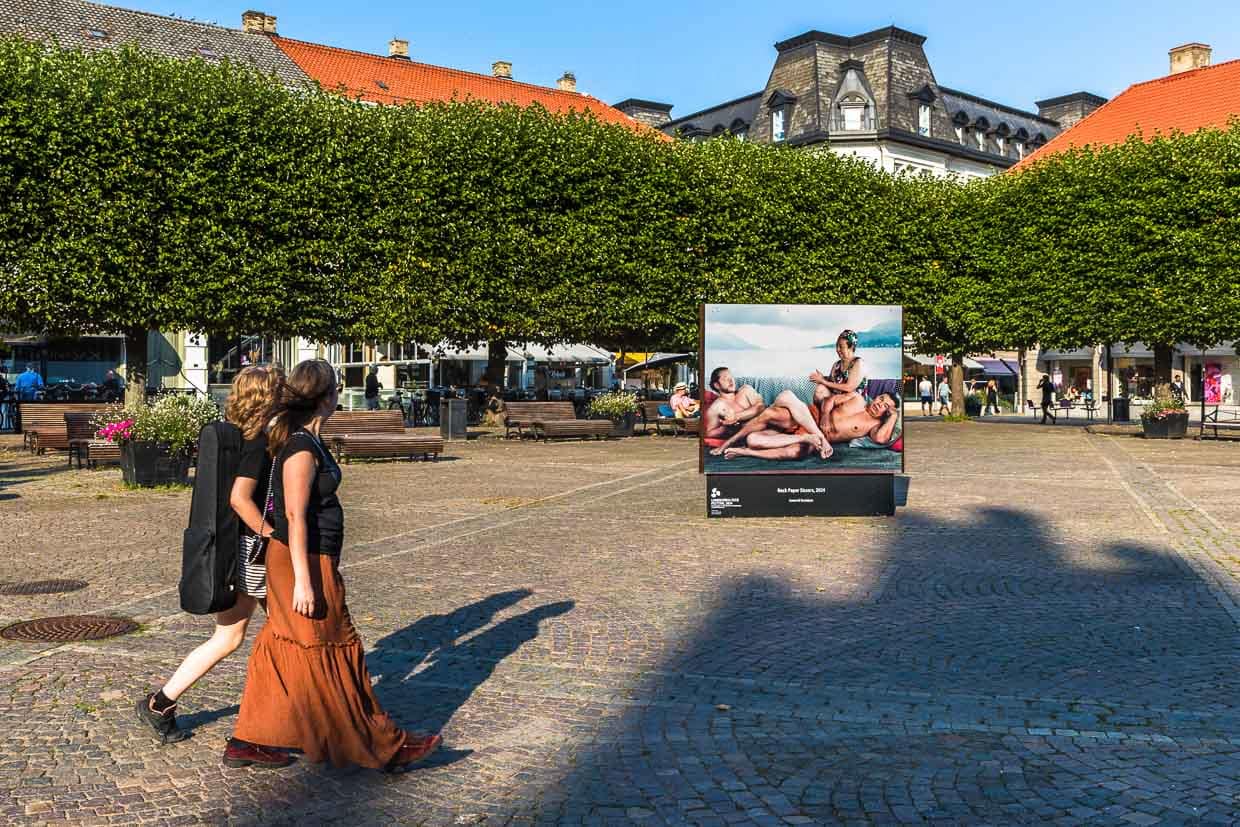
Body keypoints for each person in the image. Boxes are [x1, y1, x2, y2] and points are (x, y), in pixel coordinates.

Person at [229, 359, 441, 771]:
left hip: (307, 557)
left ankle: (249, 737)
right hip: (302, 561)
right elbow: (294, 516)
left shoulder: (309, 439)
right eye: (337, 389)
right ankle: (381, 746)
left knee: (283, 644)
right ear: (327, 396)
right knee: (332, 641)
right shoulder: (300, 447)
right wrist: (304, 582)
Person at [135, 366, 281, 747]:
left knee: (229, 637)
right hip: (254, 554)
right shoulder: (256, 443)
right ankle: (298, 715)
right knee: (290, 631)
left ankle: (160, 702)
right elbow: (240, 499)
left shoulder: (239, 437)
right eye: (279, 393)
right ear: (267, 399)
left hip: (239, 551)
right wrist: (273, 536)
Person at [717, 391, 899, 461]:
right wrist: (825, 416)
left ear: (887, 412)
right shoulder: (857, 398)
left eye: (885, 406)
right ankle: (730, 441)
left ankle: (745, 451)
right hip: (810, 416)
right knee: (776, 407)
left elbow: (881, 439)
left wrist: (894, 416)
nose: (879, 404)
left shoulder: (874, 425)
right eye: (881, 399)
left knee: (790, 451)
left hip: (817, 439)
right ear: (877, 396)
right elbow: (829, 400)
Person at [710, 387, 832, 460]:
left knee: (784, 398)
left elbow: (760, 409)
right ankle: (809, 437)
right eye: (723, 412)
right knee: (752, 439)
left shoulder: (744, 392)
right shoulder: (722, 416)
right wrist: (744, 451)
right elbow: (709, 432)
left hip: (802, 422)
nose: (726, 411)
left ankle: (819, 437)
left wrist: (731, 443)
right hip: (784, 430)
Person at [703, 367, 765, 442]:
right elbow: (709, 433)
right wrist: (725, 428)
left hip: (766, 425)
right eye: (725, 378)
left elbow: (761, 407)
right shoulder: (716, 408)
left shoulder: (746, 390)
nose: (731, 381)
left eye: (731, 377)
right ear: (717, 385)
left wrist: (735, 417)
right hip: (751, 437)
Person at [809, 329, 868, 401]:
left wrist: (823, 381)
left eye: (841, 346)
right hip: (836, 399)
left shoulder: (858, 363)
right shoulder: (836, 365)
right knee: (820, 389)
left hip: (853, 401)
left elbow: (849, 387)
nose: (837, 349)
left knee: (828, 394)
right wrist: (823, 378)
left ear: (851, 347)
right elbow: (831, 384)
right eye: (836, 346)